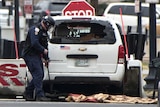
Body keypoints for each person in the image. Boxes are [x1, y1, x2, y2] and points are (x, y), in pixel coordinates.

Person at [22, 16, 55, 101]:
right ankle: (40, 95)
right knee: (38, 74)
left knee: (40, 75)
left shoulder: (44, 33)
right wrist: (43, 50)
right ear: (46, 24)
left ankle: (28, 92)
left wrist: (46, 58)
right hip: (30, 54)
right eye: (50, 26)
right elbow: (34, 43)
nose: (49, 28)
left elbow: (45, 46)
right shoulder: (35, 30)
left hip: (36, 55)